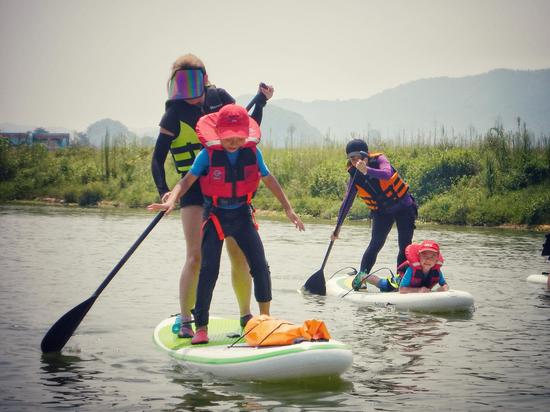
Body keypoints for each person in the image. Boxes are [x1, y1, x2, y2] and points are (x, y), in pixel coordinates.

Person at [148, 104, 305, 344]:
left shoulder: (253, 153)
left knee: (260, 266)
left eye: (238, 137)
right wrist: (172, 200)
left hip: (242, 215)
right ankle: (201, 327)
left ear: (245, 134)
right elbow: (187, 180)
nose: (233, 142)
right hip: (215, 217)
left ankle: (265, 319)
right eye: (229, 137)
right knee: (208, 271)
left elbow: (269, 179)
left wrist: (288, 208)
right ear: (219, 133)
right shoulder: (208, 155)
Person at [151, 53, 274, 338]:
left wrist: (262, 102)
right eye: (181, 85)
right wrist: (165, 192)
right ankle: (185, 320)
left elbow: (247, 128)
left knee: (239, 254)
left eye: (193, 83)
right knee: (196, 257)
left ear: (204, 79)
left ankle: (247, 317)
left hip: (227, 189)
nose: (188, 94)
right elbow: (157, 160)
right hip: (194, 190)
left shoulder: (219, 97)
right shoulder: (173, 113)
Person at [332, 138, 417, 292]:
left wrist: (367, 170)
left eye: (359, 157)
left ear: (367, 155)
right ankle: (362, 277)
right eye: (352, 159)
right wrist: (337, 228)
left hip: (404, 207)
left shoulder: (380, 160)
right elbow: (347, 203)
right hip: (381, 212)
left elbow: (386, 174)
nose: (356, 161)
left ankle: (401, 279)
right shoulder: (354, 175)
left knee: (405, 245)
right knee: (376, 243)